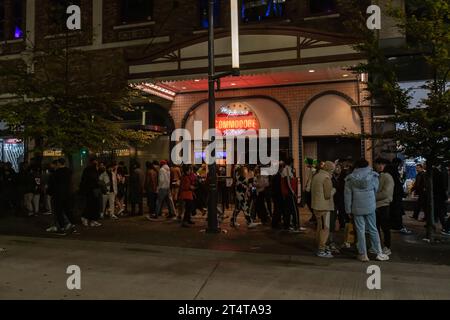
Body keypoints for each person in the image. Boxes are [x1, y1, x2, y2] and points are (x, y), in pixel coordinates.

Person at [344, 159, 389, 262]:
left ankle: (363, 254)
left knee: (360, 230)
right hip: (370, 206)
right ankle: (379, 252)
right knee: (373, 229)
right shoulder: (373, 176)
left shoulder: (350, 178)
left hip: (356, 207)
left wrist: (348, 210)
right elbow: (376, 189)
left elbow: (347, 196)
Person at [311, 161, 336, 258]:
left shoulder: (316, 176)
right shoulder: (326, 178)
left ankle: (321, 247)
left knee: (319, 228)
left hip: (316, 206)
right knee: (325, 229)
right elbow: (327, 195)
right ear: (330, 169)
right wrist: (334, 190)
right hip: (324, 207)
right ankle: (321, 249)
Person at [47, 158, 76, 234]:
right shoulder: (69, 171)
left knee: (59, 211)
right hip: (67, 193)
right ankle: (72, 225)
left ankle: (63, 227)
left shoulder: (56, 173)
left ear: (59, 163)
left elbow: (53, 185)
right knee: (68, 210)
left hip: (58, 194)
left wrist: (49, 192)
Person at [374, 158, 395, 256]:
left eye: (382, 164)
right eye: (379, 164)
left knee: (385, 227)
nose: (380, 166)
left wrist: (371, 197)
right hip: (376, 206)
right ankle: (377, 246)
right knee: (376, 227)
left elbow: (386, 193)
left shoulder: (387, 177)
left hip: (384, 205)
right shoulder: (376, 176)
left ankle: (387, 246)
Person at [281, 157, 305, 233]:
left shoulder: (286, 169)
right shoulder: (287, 169)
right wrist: (292, 192)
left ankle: (287, 226)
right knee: (294, 210)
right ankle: (296, 226)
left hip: (287, 193)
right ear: (291, 162)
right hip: (289, 193)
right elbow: (288, 182)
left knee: (288, 210)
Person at [80, 157, 102, 227]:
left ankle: (92, 220)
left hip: (94, 190)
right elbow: (91, 180)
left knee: (95, 205)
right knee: (91, 205)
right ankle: (86, 218)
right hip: (91, 190)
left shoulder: (93, 170)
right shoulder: (90, 170)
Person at [271, 161, 284, 229]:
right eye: (282, 167)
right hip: (277, 195)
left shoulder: (275, 175)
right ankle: (275, 223)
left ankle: (276, 222)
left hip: (275, 195)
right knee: (277, 210)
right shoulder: (277, 175)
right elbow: (277, 187)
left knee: (277, 209)